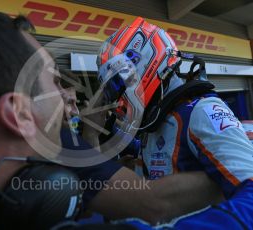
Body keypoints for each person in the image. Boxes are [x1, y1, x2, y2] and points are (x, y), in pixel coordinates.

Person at [0, 9, 227, 230]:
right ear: (18, 114)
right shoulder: (51, 140)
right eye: (55, 82)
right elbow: (150, 203)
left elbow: (93, 195)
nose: (67, 94)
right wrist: (231, 169)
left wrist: (88, 133)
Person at [96, 16, 253, 226]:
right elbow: (165, 152)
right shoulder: (155, 122)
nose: (118, 97)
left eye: (118, 84)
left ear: (143, 63)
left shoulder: (201, 111)